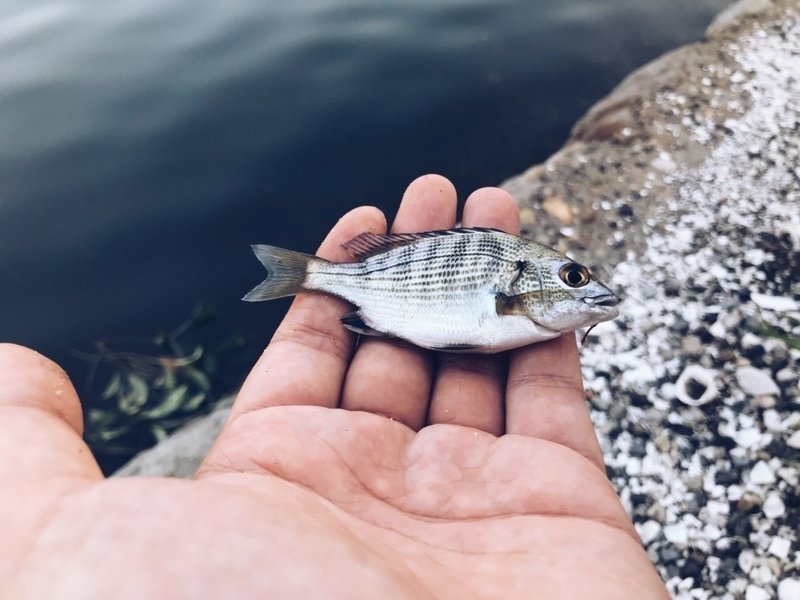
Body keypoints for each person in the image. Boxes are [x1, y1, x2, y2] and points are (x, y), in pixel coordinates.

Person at [0, 175, 668, 598]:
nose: (588, 290)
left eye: (578, 280)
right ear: (537, 280)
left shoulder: (527, 312)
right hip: (373, 295)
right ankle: (307, 274)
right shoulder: (518, 299)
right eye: (575, 279)